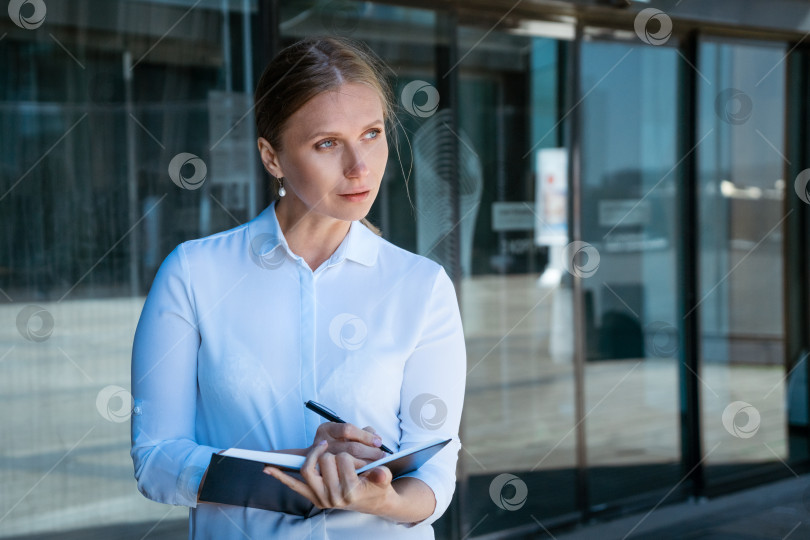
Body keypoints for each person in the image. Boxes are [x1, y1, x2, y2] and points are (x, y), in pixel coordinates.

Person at [130, 35, 466, 539]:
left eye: (372, 133)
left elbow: (434, 477)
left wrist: (373, 496)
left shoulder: (422, 285)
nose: (360, 166)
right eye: (327, 143)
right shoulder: (194, 274)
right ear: (272, 157)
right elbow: (155, 462)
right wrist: (293, 466)